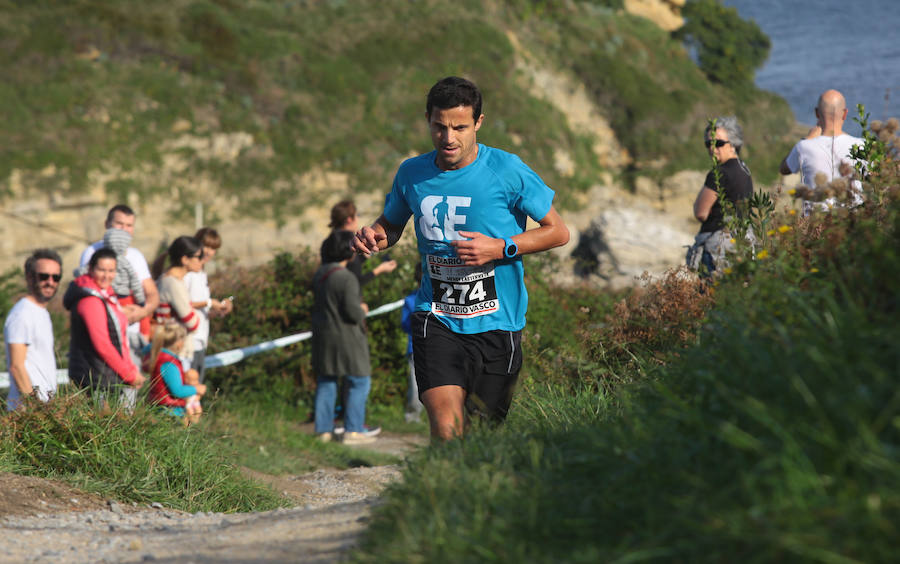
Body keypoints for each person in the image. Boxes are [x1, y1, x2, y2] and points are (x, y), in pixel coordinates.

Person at [351, 76, 570, 441]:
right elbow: (390, 224)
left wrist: (500, 247)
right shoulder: (412, 172)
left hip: (498, 324)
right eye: (439, 127)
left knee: (482, 435)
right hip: (436, 318)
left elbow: (558, 231)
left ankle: (471, 495)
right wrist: (375, 236)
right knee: (447, 427)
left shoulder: (506, 170)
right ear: (428, 120)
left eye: (460, 127)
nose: (448, 138)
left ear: (478, 124)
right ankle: (437, 495)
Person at [312, 230, 375, 445]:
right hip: (348, 337)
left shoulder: (320, 274)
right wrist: (363, 309)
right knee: (359, 381)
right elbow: (353, 312)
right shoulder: (346, 277)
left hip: (324, 336)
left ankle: (323, 431)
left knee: (327, 381)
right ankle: (353, 430)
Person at [79, 204, 159, 369]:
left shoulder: (136, 256)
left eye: (129, 225)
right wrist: (119, 314)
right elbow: (88, 295)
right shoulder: (92, 253)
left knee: (130, 390)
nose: (124, 229)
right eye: (119, 224)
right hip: (104, 335)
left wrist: (142, 312)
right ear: (107, 224)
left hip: (132, 335)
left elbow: (151, 293)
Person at [63, 248, 145, 403]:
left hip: (107, 377)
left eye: (111, 271)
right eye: (101, 270)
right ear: (91, 269)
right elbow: (103, 344)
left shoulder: (105, 294)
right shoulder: (90, 300)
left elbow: (119, 339)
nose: (107, 276)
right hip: (95, 379)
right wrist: (129, 374)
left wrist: (131, 369)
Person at [779, 89, 864, 215]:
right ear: (845, 114)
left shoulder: (804, 147)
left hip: (816, 225)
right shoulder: (861, 145)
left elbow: (784, 168)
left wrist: (808, 139)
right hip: (852, 223)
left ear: (817, 113)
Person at [687, 116, 754, 276]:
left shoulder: (719, 173)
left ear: (733, 144)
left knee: (711, 296)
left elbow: (701, 213)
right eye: (708, 144)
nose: (712, 148)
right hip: (742, 240)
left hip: (717, 244)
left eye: (718, 143)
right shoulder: (744, 170)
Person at [3, 249, 63, 411]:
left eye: (55, 277)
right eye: (43, 276)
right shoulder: (22, 314)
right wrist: (35, 408)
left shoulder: (41, 312)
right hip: (27, 412)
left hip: (44, 407)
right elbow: (16, 366)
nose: (50, 282)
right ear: (29, 277)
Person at [183, 227, 233, 383]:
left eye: (214, 249)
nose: (209, 252)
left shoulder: (202, 274)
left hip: (200, 339)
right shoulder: (187, 272)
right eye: (207, 246)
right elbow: (181, 304)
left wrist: (218, 311)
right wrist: (210, 303)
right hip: (186, 340)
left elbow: (200, 310)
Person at [153, 236, 204, 377]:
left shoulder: (168, 279)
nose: (202, 261)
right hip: (175, 351)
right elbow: (192, 323)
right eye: (199, 257)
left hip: (171, 350)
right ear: (185, 259)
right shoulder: (173, 283)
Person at [146, 322, 207, 423]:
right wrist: (196, 389)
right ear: (179, 343)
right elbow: (177, 391)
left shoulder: (162, 357)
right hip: (169, 413)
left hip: (164, 410)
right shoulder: (169, 363)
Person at [400, 262, 424, 423]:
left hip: (425, 346)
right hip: (417, 347)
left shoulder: (410, 299)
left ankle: (415, 415)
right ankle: (413, 416)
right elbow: (405, 325)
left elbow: (405, 325)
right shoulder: (411, 300)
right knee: (417, 385)